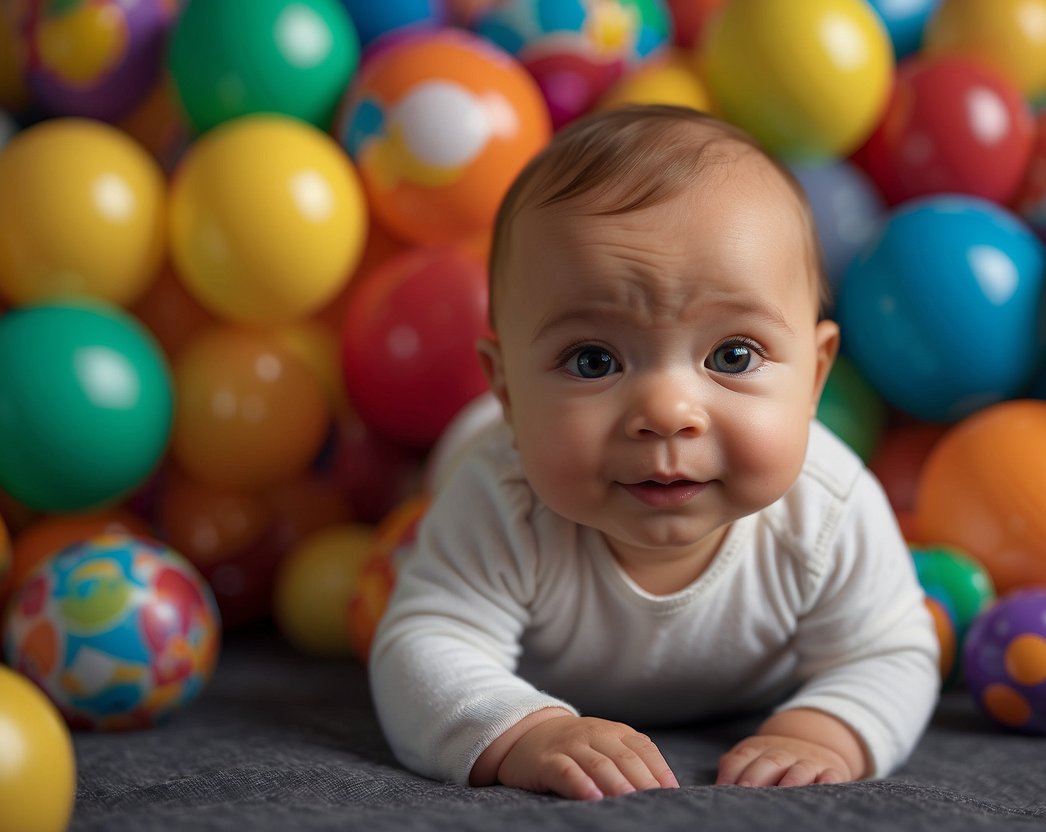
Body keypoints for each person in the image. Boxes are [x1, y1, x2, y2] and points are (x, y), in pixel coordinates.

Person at [370, 104, 939, 801]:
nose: (667, 412)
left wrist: (821, 731)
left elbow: (890, 650)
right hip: (478, 457)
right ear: (510, 393)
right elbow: (423, 646)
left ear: (814, 377)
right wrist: (525, 731)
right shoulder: (500, 500)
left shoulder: (827, 507)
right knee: (454, 475)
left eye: (733, 354)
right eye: (591, 360)